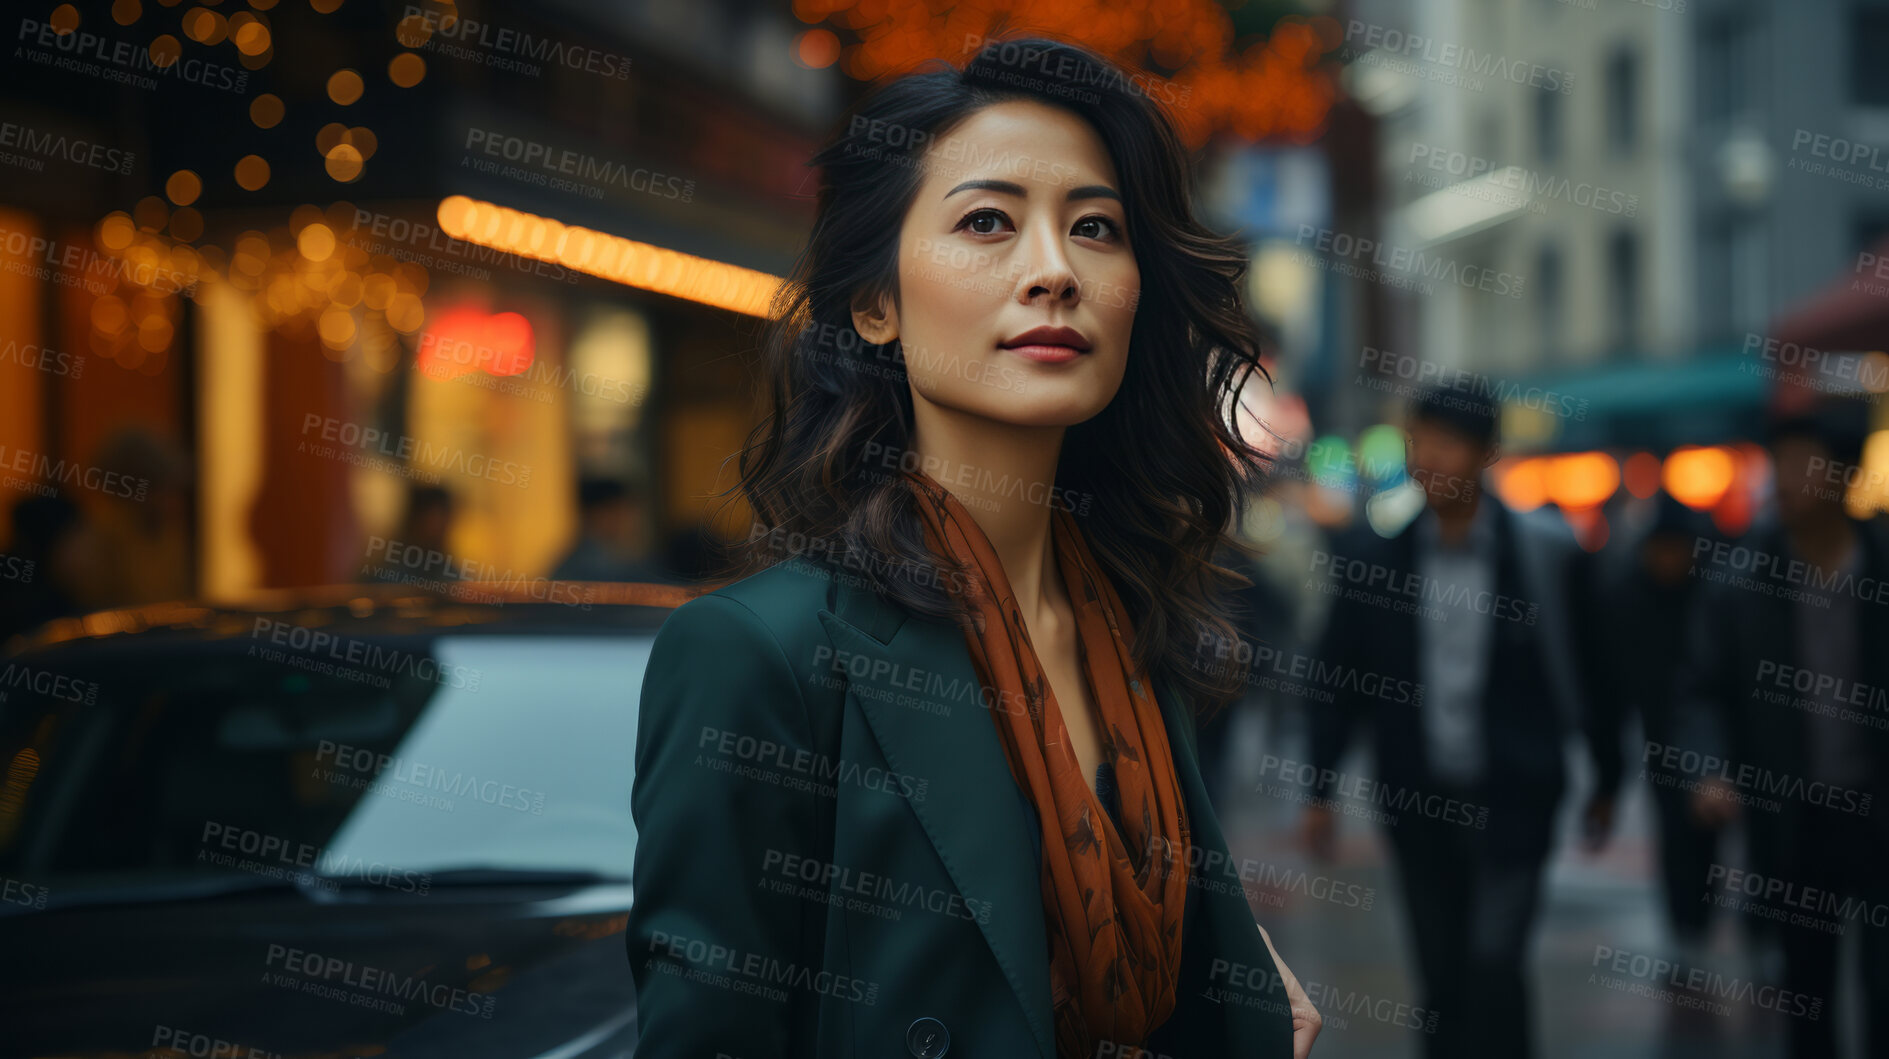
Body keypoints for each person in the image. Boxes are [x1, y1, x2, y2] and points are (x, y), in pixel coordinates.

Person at [625, 37, 1319, 1059]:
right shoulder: (757, 655)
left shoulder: (1127, 618)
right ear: (874, 305)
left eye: (1094, 228)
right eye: (986, 222)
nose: (1052, 272)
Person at [1298, 384, 1620, 1059]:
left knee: (1493, 962)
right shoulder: (1373, 557)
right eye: (1418, 442)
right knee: (1440, 971)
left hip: (1516, 792)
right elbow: (1335, 683)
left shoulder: (1542, 554)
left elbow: (1596, 669)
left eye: (1445, 443)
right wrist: (1318, 789)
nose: (1427, 459)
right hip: (1417, 797)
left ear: (1485, 453)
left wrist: (1607, 777)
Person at [1673, 399, 1889, 1059]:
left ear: (1843, 474)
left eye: (1805, 462)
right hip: (1791, 815)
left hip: (1879, 809)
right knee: (1804, 990)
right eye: (1781, 462)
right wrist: (1707, 767)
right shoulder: (1740, 582)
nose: (1788, 478)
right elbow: (1702, 689)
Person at [1598, 492, 1723, 954]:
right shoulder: (1628, 597)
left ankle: (1700, 918)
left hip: (1710, 735)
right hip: (1661, 738)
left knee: (1708, 832)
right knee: (1674, 829)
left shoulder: (1710, 594)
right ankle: (1685, 923)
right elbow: (1612, 684)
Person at [549, 477, 671, 583]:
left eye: (629, 511)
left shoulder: (625, 555)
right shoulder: (584, 563)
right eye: (616, 511)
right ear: (591, 514)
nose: (626, 519)